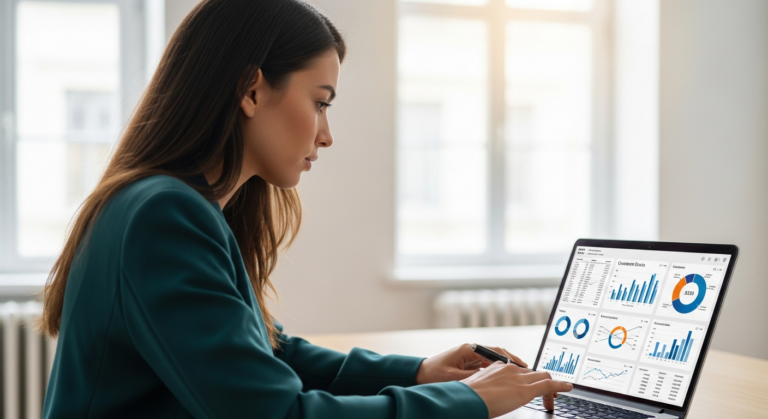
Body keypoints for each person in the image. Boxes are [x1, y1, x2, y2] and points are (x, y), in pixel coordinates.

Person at [39, 0, 572, 417]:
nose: (327, 134)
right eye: (320, 102)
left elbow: (266, 353)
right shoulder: (165, 216)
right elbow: (275, 412)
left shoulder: (165, 204)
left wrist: (420, 373)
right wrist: (471, 402)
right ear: (251, 90)